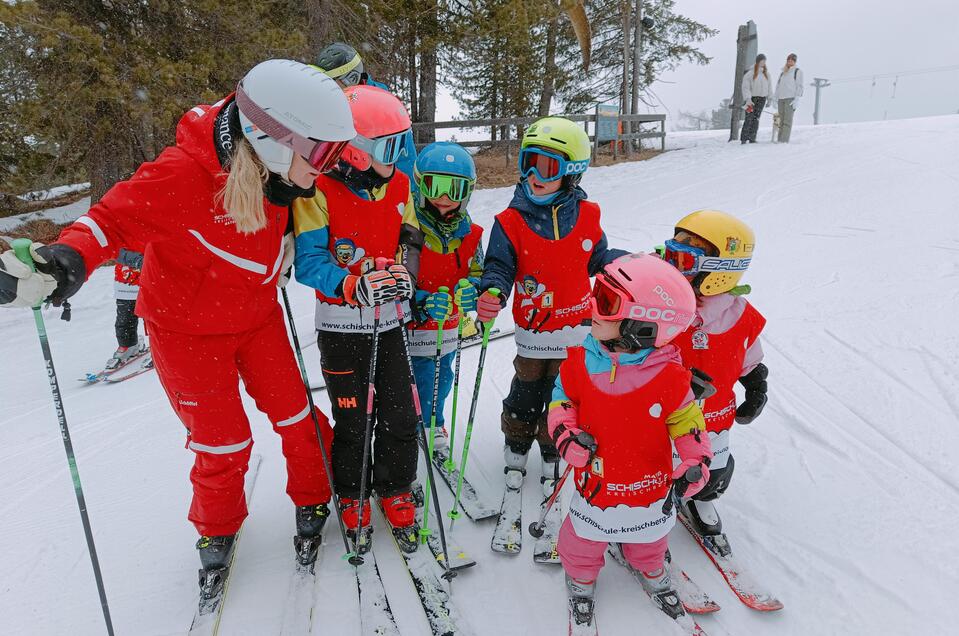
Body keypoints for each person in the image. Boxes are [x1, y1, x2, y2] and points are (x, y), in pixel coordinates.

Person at [0, 60, 356, 583]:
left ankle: (313, 494)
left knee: (297, 416)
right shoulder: (183, 174)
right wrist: (66, 262)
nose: (328, 166)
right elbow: (108, 221)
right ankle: (218, 526)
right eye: (322, 152)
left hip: (257, 318)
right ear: (273, 138)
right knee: (224, 440)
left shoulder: (272, 166)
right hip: (188, 331)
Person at [292, 84, 425, 554]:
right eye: (393, 146)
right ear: (358, 153)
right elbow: (307, 262)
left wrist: (404, 276)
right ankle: (352, 493)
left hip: (388, 325)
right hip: (341, 328)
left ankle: (394, 486)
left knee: (402, 416)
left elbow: (409, 241)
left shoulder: (402, 185)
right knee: (354, 419)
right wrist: (352, 284)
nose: (402, 155)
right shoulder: (317, 191)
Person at [548, 253, 712, 631]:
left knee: (650, 538)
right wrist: (565, 434)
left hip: (649, 485)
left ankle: (652, 569)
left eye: (605, 302)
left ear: (642, 326)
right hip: (596, 485)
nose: (592, 306)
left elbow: (689, 424)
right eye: (597, 293)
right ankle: (581, 577)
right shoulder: (578, 364)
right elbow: (561, 403)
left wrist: (696, 461)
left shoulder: (671, 380)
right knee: (581, 541)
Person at [476, 116, 627, 498]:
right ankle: (516, 441)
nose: (532, 174)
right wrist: (493, 290)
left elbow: (599, 258)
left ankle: (550, 443)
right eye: (528, 161)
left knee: (562, 393)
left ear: (572, 172)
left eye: (546, 166)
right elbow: (499, 264)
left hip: (576, 329)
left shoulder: (588, 216)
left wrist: (627, 266)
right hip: (533, 328)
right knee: (526, 388)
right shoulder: (510, 222)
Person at [661, 210, 768, 540]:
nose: (672, 267)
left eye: (684, 259)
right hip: (662, 415)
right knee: (656, 465)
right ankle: (647, 512)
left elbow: (749, 356)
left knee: (715, 468)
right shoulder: (662, 303)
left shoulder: (741, 317)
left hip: (713, 415)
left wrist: (756, 385)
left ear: (720, 273)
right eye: (671, 255)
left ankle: (701, 498)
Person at [406, 142, 484, 448]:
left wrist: (472, 291)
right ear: (420, 184)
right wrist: (420, 301)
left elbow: (478, 272)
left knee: (442, 377)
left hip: (448, 327)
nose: (444, 198)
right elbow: (396, 274)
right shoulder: (407, 227)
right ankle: (413, 424)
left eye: (455, 189)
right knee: (417, 378)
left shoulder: (471, 234)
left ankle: (433, 421)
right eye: (435, 186)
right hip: (412, 326)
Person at [314, 42, 418, 194]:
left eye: (332, 84)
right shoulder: (335, 105)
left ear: (351, 79)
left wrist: (407, 196)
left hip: (380, 196)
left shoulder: (385, 110)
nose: (326, 91)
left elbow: (405, 158)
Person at [105, 248, 148, 371]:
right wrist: (137, 259)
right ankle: (128, 345)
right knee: (124, 318)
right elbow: (114, 251)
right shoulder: (122, 231)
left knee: (153, 318)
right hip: (124, 282)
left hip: (149, 279)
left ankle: (159, 347)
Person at [740, 53, 771, 144]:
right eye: (761, 61)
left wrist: (770, 98)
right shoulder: (750, 73)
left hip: (762, 99)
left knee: (756, 118)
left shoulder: (766, 74)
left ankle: (752, 138)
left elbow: (770, 87)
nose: (763, 63)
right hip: (752, 99)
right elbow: (745, 87)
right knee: (749, 118)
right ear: (757, 62)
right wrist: (748, 99)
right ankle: (744, 138)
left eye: (764, 61)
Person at [774, 53, 804, 143]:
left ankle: (784, 140)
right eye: (788, 60)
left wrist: (797, 98)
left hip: (790, 99)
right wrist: (775, 97)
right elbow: (778, 86)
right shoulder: (783, 72)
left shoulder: (797, 71)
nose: (790, 61)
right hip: (781, 98)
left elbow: (800, 86)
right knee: (781, 121)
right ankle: (779, 139)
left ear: (795, 61)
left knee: (787, 121)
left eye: (792, 60)